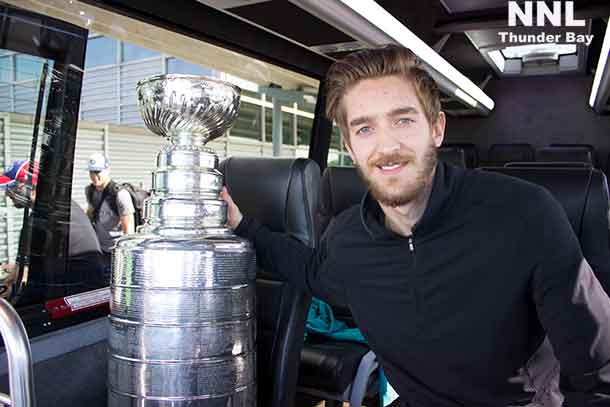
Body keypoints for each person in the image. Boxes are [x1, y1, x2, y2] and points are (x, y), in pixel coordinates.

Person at [220, 45, 610, 406]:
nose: (387, 146)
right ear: (351, 146)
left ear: (436, 128)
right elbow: (309, 271)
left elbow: (598, 368)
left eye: (403, 120)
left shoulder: (524, 215)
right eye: (365, 128)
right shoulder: (348, 239)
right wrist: (242, 226)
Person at [0, 160, 103, 295]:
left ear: (33, 187)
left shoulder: (41, 218)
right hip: (88, 289)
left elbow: (22, 279)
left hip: (73, 295)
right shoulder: (59, 205)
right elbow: (21, 270)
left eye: (13, 188)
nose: (8, 194)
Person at [85, 153, 135, 272]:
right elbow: (90, 215)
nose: (94, 176)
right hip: (98, 250)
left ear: (107, 170)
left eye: (98, 172)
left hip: (115, 252)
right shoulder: (90, 191)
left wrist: (125, 257)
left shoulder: (120, 194)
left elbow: (129, 228)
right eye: (91, 172)